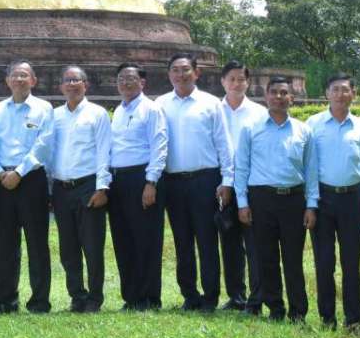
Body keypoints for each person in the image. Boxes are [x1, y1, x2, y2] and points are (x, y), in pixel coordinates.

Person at [158, 53, 234, 311]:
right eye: (175, 70)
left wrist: (227, 180)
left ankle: (210, 296)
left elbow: (223, 143)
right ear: (169, 74)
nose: (180, 75)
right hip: (173, 182)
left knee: (207, 240)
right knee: (182, 241)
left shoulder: (211, 103)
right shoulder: (161, 104)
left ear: (196, 73)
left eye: (185, 69)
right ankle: (189, 295)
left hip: (205, 180)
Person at [234, 75, 312, 321]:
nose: (279, 97)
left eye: (284, 93)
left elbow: (311, 171)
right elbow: (241, 168)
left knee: (293, 258)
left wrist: (312, 205)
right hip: (261, 199)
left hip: (293, 199)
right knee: (266, 257)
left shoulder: (303, 130)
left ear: (292, 98)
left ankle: (298, 311)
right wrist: (242, 203)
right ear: (266, 96)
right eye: (274, 92)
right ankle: (275, 309)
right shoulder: (251, 129)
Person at [305, 72, 360, 330]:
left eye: (345, 89)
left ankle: (353, 319)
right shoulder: (313, 124)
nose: (340, 94)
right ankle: (327, 318)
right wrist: (311, 204)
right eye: (335, 89)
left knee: (351, 262)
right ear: (327, 93)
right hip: (323, 199)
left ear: (353, 94)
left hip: (352, 200)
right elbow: (309, 168)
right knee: (324, 262)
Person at [0, 60, 54, 314]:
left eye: (24, 75)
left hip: (31, 180)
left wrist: (19, 172)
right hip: (2, 180)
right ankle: (6, 300)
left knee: (37, 243)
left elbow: (43, 145)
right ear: (7, 81)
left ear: (33, 80)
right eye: (14, 75)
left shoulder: (43, 108)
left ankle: (39, 301)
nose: (19, 79)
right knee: (6, 243)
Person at [47, 65, 110, 313]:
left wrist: (102, 187)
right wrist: (49, 189)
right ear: (61, 86)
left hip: (89, 186)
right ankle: (77, 296)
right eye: (67, 80)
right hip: (61, 188)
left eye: (76, 80)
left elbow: (104, 151)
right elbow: (49, 153)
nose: (72, 84)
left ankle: (94, 298)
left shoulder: (97, 113)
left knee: (92, 246)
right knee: (68, 247)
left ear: (86, 85)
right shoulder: (54, 116)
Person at [107, 62, 168, 311]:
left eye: (131, 78)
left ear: (142, 82)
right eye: (121, 78)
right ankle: (131, 297)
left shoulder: (151, 109)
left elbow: (159, 147)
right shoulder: (119, 111)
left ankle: (149, 297)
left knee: (146, 239)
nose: (126, 82)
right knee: (123, 239)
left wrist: (151, 182)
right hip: (118, 180)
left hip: (142, 179)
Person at [218, 61, 268, 311]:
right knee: (229, 241)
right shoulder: (214, 110)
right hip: (222, 185)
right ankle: (236, 295)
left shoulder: (259, 113)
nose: (236, 84)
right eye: (232, 79)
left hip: (252, 184)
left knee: (255, 243)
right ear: (223, 82)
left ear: (248, 83)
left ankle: (257, 298)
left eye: (241, 79)